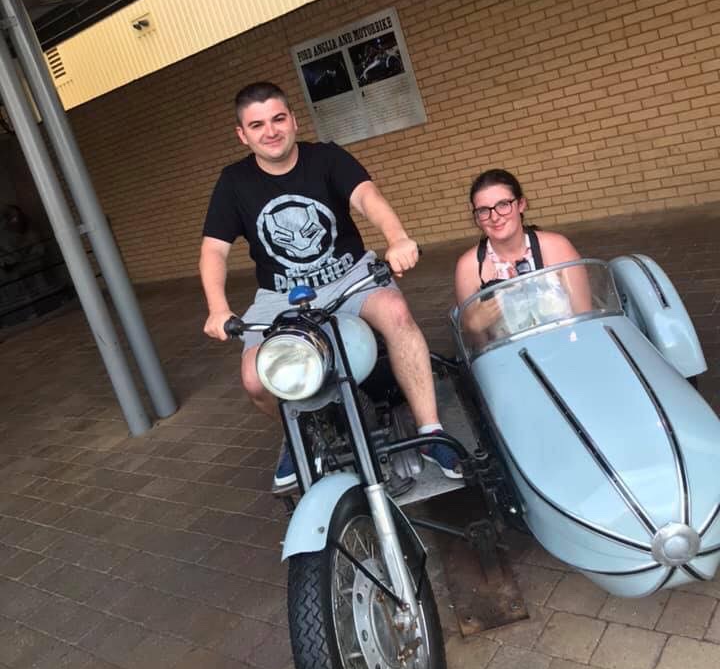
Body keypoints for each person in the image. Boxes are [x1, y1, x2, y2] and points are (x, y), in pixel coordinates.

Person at [199, 81, 461, 488]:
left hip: (350, 275)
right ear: (242, 134)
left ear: (293, 120)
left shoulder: (327, 158)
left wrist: (397, 238)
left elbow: (367, 198)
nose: (270, 131)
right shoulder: (234, 181)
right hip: (281, 295)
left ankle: (429, 431)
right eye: (257, 125)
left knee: (396, 312)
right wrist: (217, 307)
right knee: (254, 378)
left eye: (278, 119)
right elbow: (214, 250)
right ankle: (300, 434)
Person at [455, 169, 586, 339]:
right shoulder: (469, 267)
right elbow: (478, 346)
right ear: (477, 218)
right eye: (483, 210)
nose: (494, 217)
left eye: (503, 204)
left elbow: (585, 319)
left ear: (521, 204)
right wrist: (474, 326)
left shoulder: (557, 247)